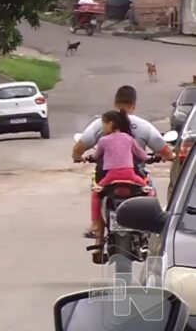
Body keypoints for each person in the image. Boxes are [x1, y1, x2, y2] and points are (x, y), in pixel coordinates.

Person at [72, 85, 173, 238]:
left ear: (115, 103)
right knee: (149, 191)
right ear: (133, 104)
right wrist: (167, 157)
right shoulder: (142, 127)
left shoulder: (101, 125)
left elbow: (81, 147)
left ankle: (98, 237)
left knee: (97, 193)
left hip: (106, 175)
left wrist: (78, 157)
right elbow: (163, 150)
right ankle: (152, 231)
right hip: (134, 173)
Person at [88, 110, 155, 241]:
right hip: (130, 176)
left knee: (96, 194)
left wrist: (89, 158)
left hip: (111, 177)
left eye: (103, 124)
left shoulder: (103, 141)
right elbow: (142, 156)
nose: (102, 127)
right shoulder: (129, 138)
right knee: (149, 191)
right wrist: (152, 157)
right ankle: (149, 223)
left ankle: (95, 224)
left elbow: (96, 156)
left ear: (110, 123)